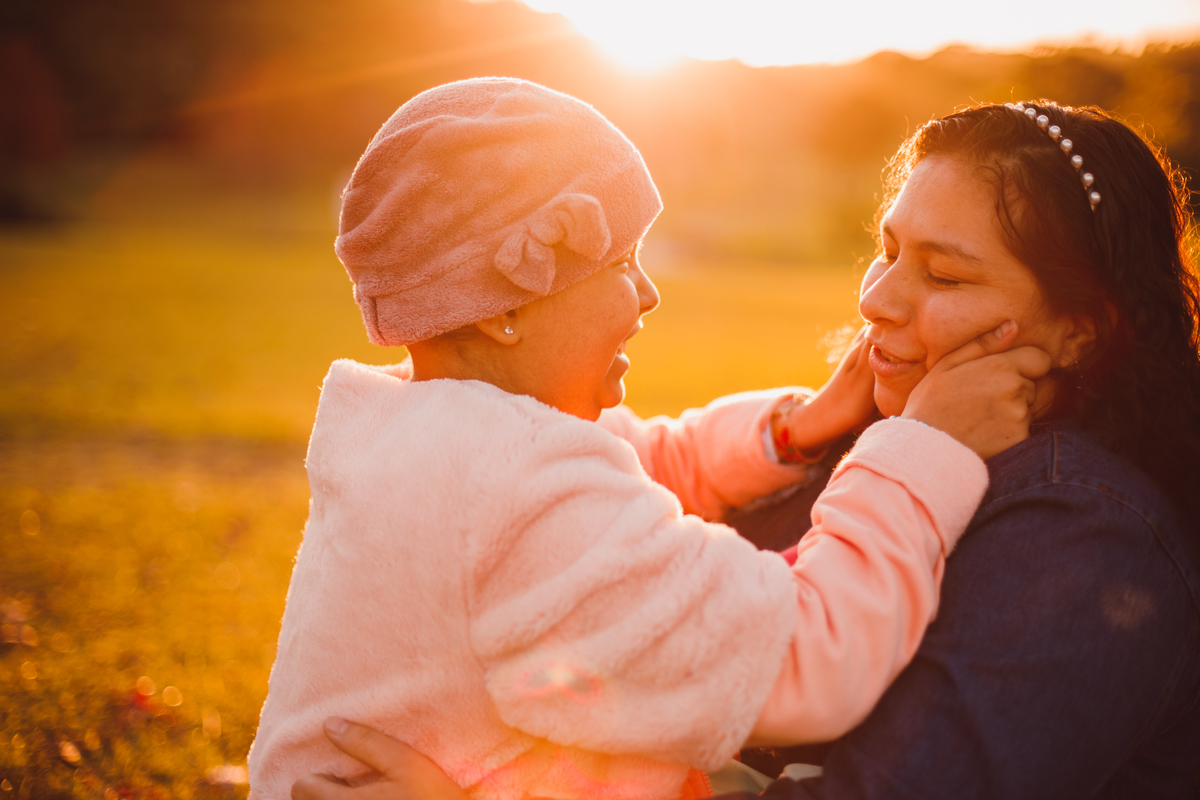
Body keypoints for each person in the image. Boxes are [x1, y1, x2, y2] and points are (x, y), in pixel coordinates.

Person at [291, 100, 1200, 799]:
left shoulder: (1085, 540)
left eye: (944, 273)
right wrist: (817, 432)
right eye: (887, 250)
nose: (876, 299)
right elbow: (641, 495)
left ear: (1080, 330)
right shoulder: (885, 451)